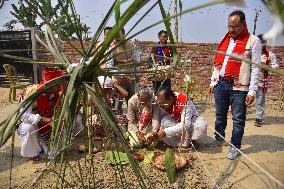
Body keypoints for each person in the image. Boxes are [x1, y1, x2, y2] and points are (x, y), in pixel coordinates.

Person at [208, 10, 261, 160]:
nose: (231, 30)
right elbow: (218, 63)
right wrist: (213, 81)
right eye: (229, 26)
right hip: (221, 83)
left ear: (243, 25)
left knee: (238, 119)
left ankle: (235, 146)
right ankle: (219, 137)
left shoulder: (253, 41)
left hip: (239, 87)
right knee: (219, 115)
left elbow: (255, 67)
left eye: (235, 26)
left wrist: (252, 91)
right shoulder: (226, 39)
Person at [17, 68, 82, 160]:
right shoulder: (31, 93)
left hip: (52, 126)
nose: (57, 87)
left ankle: (57, 146)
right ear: (46, 83)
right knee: (28, 128)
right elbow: (23, 116)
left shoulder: (58, 93)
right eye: (54, 85)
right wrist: (44, 120)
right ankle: (34, 153)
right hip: (36, 126)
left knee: (77, 118)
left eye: (58, 84)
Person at [255, 34, 279, 127]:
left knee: (260, 100)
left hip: (261, 81)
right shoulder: (252, 53)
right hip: (249, 80)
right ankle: (241, 116)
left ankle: (259, 118)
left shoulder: (270, 55)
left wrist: (268, 67)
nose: (261, 44)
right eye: (259, 42)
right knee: (244, 98)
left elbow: (275, 66)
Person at [112, 28, 135, 104]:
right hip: (118, 75)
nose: (118, 36)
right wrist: (123, 61)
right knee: (118, 100)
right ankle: (118, 114)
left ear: (124, 34)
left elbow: (134, 57)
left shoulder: (130, 43)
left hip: (130, 74)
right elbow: (111, 61)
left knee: (131, 99)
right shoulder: (113, 45)